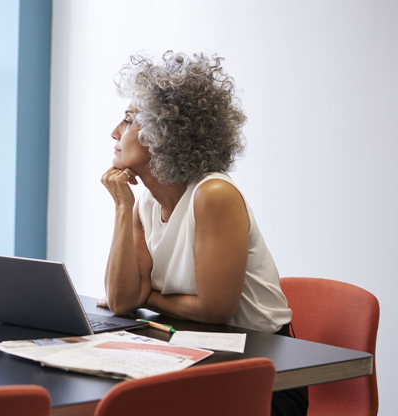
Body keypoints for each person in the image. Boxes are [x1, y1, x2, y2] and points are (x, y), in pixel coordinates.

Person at [97, 51, 307, 416]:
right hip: (194, 355)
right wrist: (121, 206)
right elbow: (120, 301)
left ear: (163, 132)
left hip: (262, 372)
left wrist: (148, 297)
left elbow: (214, 310)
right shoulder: (144, 204)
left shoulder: (213, 196)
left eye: (129, 120)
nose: (115, 131)